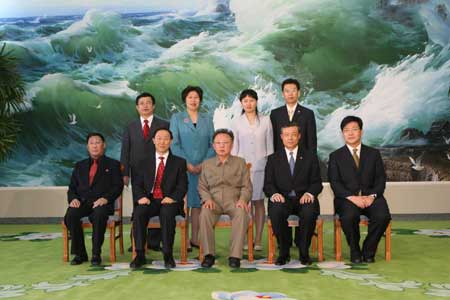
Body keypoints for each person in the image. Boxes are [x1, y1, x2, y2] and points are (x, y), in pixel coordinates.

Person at [328, 116, 391, 264]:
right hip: (347, 199)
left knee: (383, 216)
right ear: (342, 133)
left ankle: (369, 249)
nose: (350, 133)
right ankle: (355, 249)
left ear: (361, 132)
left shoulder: (373, 154)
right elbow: (335, 183)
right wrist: (352, 197)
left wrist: (371, 196)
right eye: (346, 130)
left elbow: (381, 180)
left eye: (354, 129)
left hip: (371, 197)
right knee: (349, 217)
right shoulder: (336, 156)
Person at [263, 123, 322, 265]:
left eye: (294, 134)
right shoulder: (273, 158)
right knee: (276, 210)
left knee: (309, 213)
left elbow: (317, 183)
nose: (290, 138)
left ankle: (304, 251)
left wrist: (309, 193)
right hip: (283, 198)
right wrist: (274, 194)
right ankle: (284, 251)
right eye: (287, 135)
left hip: (303, 198)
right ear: (281, 137)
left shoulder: (310, 157)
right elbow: (268, 184)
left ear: (299, 136)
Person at [130, 128, 188, 269]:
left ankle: (168, 255)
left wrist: (173, 198)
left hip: (168, 200)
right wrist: (141, 197)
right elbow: (136, 183)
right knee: (139, 213)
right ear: (154, 140)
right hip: (149, 199)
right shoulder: (142, 162)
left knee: (167, 214)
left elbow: (183, 185)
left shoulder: (179, 162)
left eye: (166, 138)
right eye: (159, 138)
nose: (162, 141)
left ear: (171, 141)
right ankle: (140, 254)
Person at [270, 78, 318, 247]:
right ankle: (285, 242)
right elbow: (275, 142)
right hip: (283, 162)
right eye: (287, 91)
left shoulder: (308, 113)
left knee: (304, 204)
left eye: (293, 90)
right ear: (282, 94)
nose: (290, 93)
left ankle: (300, 239)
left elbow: (312, 143)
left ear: (298, 92)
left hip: (303, 164)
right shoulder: (275, 114)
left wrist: (311, 161)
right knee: (281, 204)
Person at [64, 133, 123, 266]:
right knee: (71, 215)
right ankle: (80, 253)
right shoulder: (80, 165)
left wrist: (105, 199)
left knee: (99, 215)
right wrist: (73, 199)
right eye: (92, 143)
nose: (95, 145)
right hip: (83, 202)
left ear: (104, 145)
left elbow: (117, 186)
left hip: (101, 203)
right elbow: (72, 187)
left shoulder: (113, 164)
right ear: (87, 147)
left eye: (98, 142)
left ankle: (96, 253)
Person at [121, 92, 169, 251]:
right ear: (137, 107)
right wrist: (125, 173)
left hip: (159, 169)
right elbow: (125, 150)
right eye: (142, 103)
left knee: (157, 202)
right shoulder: (130, 126)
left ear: (153, 106)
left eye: (149, 102)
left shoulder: (164, 124)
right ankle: (137, 241)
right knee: (139, 205)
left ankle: (154, 242)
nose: (145, 105)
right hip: (137, 172)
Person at [198, 129, 252, 268]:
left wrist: (243, 200)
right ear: (214, 145)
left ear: (232, 144)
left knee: (241, 213)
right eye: (218, 143)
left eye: (225, 143)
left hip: (233, 200)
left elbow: (247, 186)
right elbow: (202, 186)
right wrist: (207, 199)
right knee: (204, 213)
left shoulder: (240, 163)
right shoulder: (207, 164)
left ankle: (235, 256)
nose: (222, 146)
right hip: (213, 201)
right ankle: (208, 255)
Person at [170, 86, 215, 251]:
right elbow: (174, 144)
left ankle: (196, 238)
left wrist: (203, 163)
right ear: (185, 100)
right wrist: (186, 164)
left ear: (200, 100)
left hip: (203, 168)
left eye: (196, 97)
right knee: (185, 205)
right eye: (190, 97)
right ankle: (185, 240)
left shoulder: (207, 119)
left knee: (198, 205)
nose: (193, 100)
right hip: (183, 168)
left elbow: (213, 144)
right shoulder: (177, 118)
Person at [231, 89, 273, 250]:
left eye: (251, 100)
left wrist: (269, 166)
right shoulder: (236, 121)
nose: (248, 103)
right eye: (245, 101)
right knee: (243, 203)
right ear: (241, 103)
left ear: (256, 102)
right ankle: (242, 239)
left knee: (259, 202)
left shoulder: (266, 120)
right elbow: (234, 149)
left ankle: (257, 240)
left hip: (262, 166)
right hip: (243, 168)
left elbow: (270, 147)